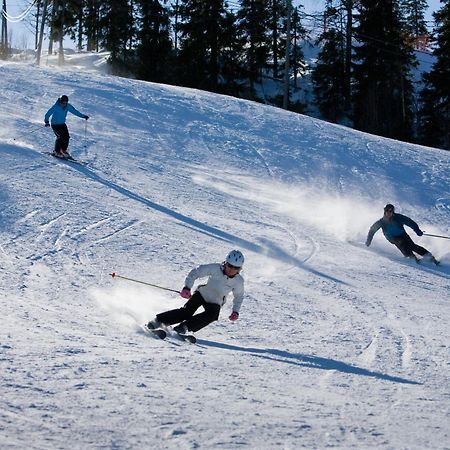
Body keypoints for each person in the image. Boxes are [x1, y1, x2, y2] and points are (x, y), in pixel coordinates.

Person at [147, 250, 245, 335]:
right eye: (229, 265)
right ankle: (158, 321)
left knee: (213, 315)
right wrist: (187, 287)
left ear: (239, 269)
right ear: (225, 263)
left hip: (216, 301)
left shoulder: (238, 281)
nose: (231, 269)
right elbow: (196, 272)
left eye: (235, 268)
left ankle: (184, 327)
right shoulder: (215, 268)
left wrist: (235, 311)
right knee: (186, 312)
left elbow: (239, 297)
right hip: (202, 294)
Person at [366, 204, 439, 264]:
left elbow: (409, 222)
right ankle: (412, 258)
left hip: (402, 235)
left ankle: (429, 257)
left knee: (412, 246)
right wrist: (368, 241)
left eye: (391, 211)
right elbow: (372, 230)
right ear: (384, 211)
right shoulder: (381, 222)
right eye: (387, 211)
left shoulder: (398, 218)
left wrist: (417, 230)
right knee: (403, 247)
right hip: (392, 238)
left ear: (393, 212)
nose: (389, 212)